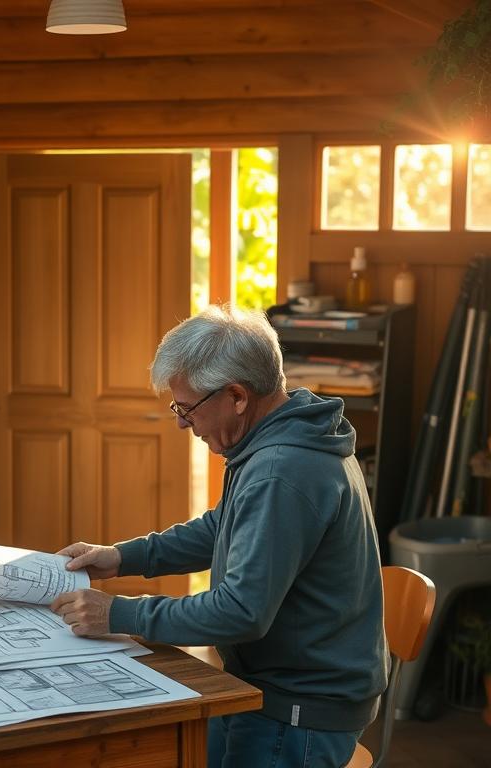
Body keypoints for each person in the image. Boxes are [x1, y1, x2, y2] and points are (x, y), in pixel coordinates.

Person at [50, 305, 387, 768]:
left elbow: (239, 612)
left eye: (187, 409)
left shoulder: (281, 471)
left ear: (237, 396)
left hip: (297, 711)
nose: (181, 423)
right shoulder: (286, 432)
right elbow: (222, 526)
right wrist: (122, 557)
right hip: (273, 686)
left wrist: (118, 614)